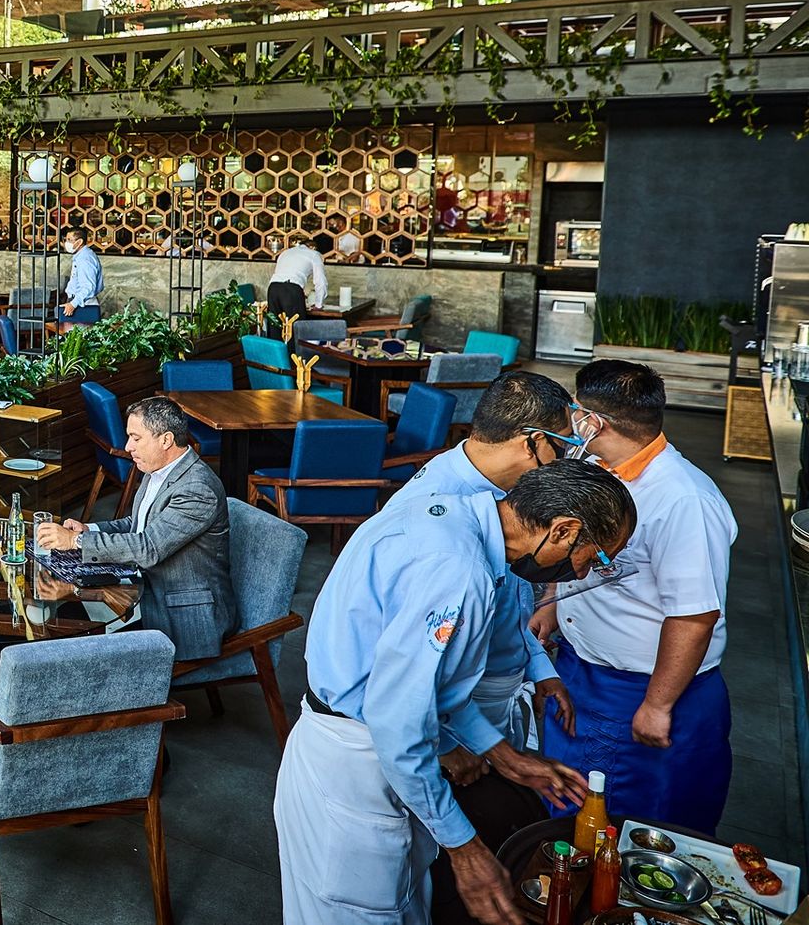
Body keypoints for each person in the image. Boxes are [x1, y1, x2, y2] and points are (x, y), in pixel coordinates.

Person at [274, 459, 636, 925]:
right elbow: (399, 725)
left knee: (401, 900)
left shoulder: (452, 516)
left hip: (374, 746)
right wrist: (465, 849)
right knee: (357, 911)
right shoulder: (459, 572)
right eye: (597, 558)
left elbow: (437, 689)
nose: (584, 573)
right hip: (359, 759)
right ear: (564, 531)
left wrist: (502, 754)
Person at [534, 359, 739, 835]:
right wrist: (554, 603)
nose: (571, 417)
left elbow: (694, 616)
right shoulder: (592, 466)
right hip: (581, 670)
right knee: (570, 807)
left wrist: (658, 705)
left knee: (632, 822)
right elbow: (575, 547)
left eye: (575, 409)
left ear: (593, 422)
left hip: (642, 688)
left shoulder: (684, 500)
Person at [386, 373, 586, 776]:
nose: (565, 460)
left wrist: (538, 667)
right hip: (455, 709)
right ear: (532, 442)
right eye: (563, 446)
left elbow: (508, 602)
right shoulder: (442, 509)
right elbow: (409, 669)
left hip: (490, 689)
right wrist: (446, 747)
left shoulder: (501, 489)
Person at [36, 397, 234, 660]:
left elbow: (148, 547)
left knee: (78, 648)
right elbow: (136, 525)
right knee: (64, 621)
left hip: (183, 619)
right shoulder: (158, 470)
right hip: (144, 591)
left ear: (166, 440)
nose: (128, 447)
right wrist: (88, 530)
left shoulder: (197, 489)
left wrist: (75, 542)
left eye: (136, 438)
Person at [268, 233, 327, 322]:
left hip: (273, 288)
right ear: (313, 247)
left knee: (275, 325)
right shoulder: (314, 254)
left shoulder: (285, 252)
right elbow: (320, 281)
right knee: (296, 326)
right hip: (291, 290)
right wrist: (318, 305)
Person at [60, 224, 102, 325]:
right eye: (66, 239)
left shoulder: (85, 259)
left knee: (76, 334)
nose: (66, 243)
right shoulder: (81, 256)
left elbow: (88, 287)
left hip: (83, 305)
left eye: (69, 240)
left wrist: (73, 304)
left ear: (79, 242)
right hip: (78, 303)